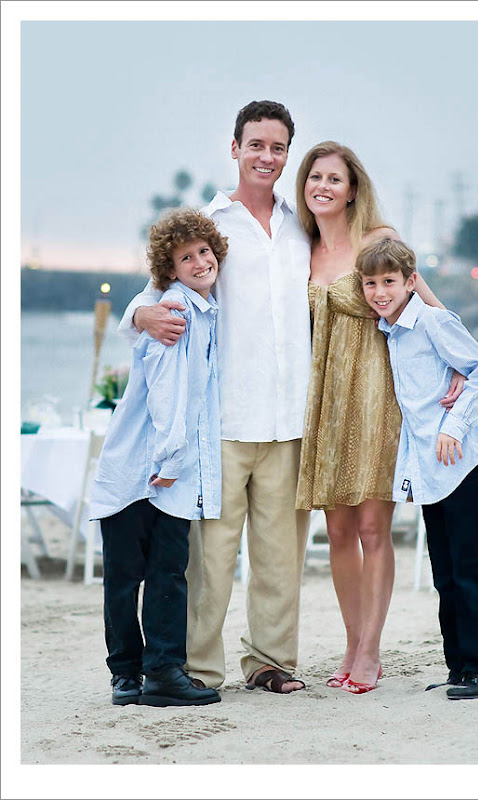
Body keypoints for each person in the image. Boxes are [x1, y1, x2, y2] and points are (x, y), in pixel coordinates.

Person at [117, 100, 311, 694]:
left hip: (291, 417)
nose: (266, 157)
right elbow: (150, 296)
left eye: (278, 147)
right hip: (221, 421)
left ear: (287, 154)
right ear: (235, 148)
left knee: (281, 557)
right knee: (210, 558)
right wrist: (140, 316)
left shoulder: (301, 225)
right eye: (256, 144)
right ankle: (199, 668)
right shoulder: (209, 223)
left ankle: (270, 662)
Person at [294, 141, 465, 694]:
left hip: (380, 398)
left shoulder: (378, 240)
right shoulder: (302, 249)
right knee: (338, 532)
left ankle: (371, 650)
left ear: (352, 189)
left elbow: (432, 308)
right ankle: (351, 643)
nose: (323, 186)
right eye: (314, 176)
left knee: (372, 528)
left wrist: (459, 366)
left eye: (334, 178)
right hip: (326, 402)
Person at [90, 208, 227, 708]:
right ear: (169, 270)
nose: (200, 261)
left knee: (160, 573)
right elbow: (168, 393)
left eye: (204, 251)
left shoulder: (203, 309)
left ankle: (153, 674)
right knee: (133, 576)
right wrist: (170, 461)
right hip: (145, 469)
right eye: (186, 257)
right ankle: (136, 674)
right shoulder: (175, 311)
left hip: (167, 469)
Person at [358, 236, 478, 700]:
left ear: (410, 282)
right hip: (430, 471)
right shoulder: (390, 331)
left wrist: (453, 427)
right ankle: (459, 668)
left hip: (464, 465)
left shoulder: (434, 322)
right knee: (445, 573)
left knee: (472, 570)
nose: (380, 292)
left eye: (389, 281)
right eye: (370, 284)